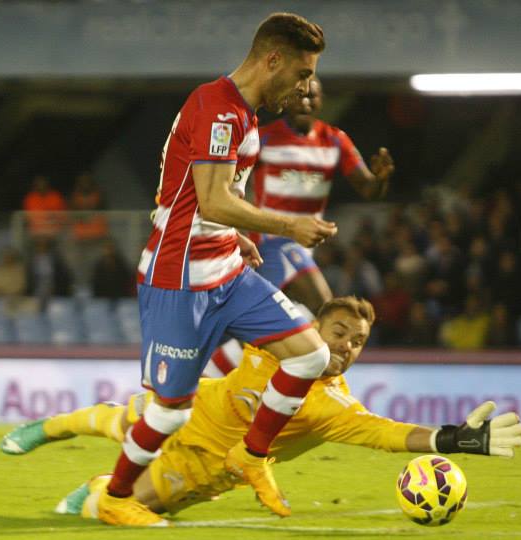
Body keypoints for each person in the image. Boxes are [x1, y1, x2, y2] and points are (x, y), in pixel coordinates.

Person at [95, 12, 338, 527]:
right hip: (180, 276)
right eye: (301, 73)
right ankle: (116, 496)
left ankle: (251, 456)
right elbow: (210, 201)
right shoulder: (218, 109)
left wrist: (242, 239)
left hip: (226, 268)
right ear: (273, 59)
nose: (306, 86)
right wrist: (289, 227)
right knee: (169, 412)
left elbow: (221, 202)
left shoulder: (243, 113)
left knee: (310, 356)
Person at [0, 296, 521, 517]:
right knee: (116, 420)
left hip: (205, 468)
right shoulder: (276, 339)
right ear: (315, 330)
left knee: (118, 510)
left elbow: (387, 434)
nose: (346, 345)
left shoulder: (334, 408)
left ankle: (94, 490)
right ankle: (47, 427)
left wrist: (451, 438)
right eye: (338, 332)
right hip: (194, 408)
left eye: (357, 340)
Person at [251, 76, 394, 316]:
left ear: (321, 101)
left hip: (306, 245)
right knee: (325, 309)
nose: (304, 102)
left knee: (267, 321)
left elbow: (369, 189)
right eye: (298, 96)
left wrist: (381, 179)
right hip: (273, 241)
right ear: (286, 100)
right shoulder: (264, 137)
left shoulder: (335, 140)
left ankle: (219, 351)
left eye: (311, 96)